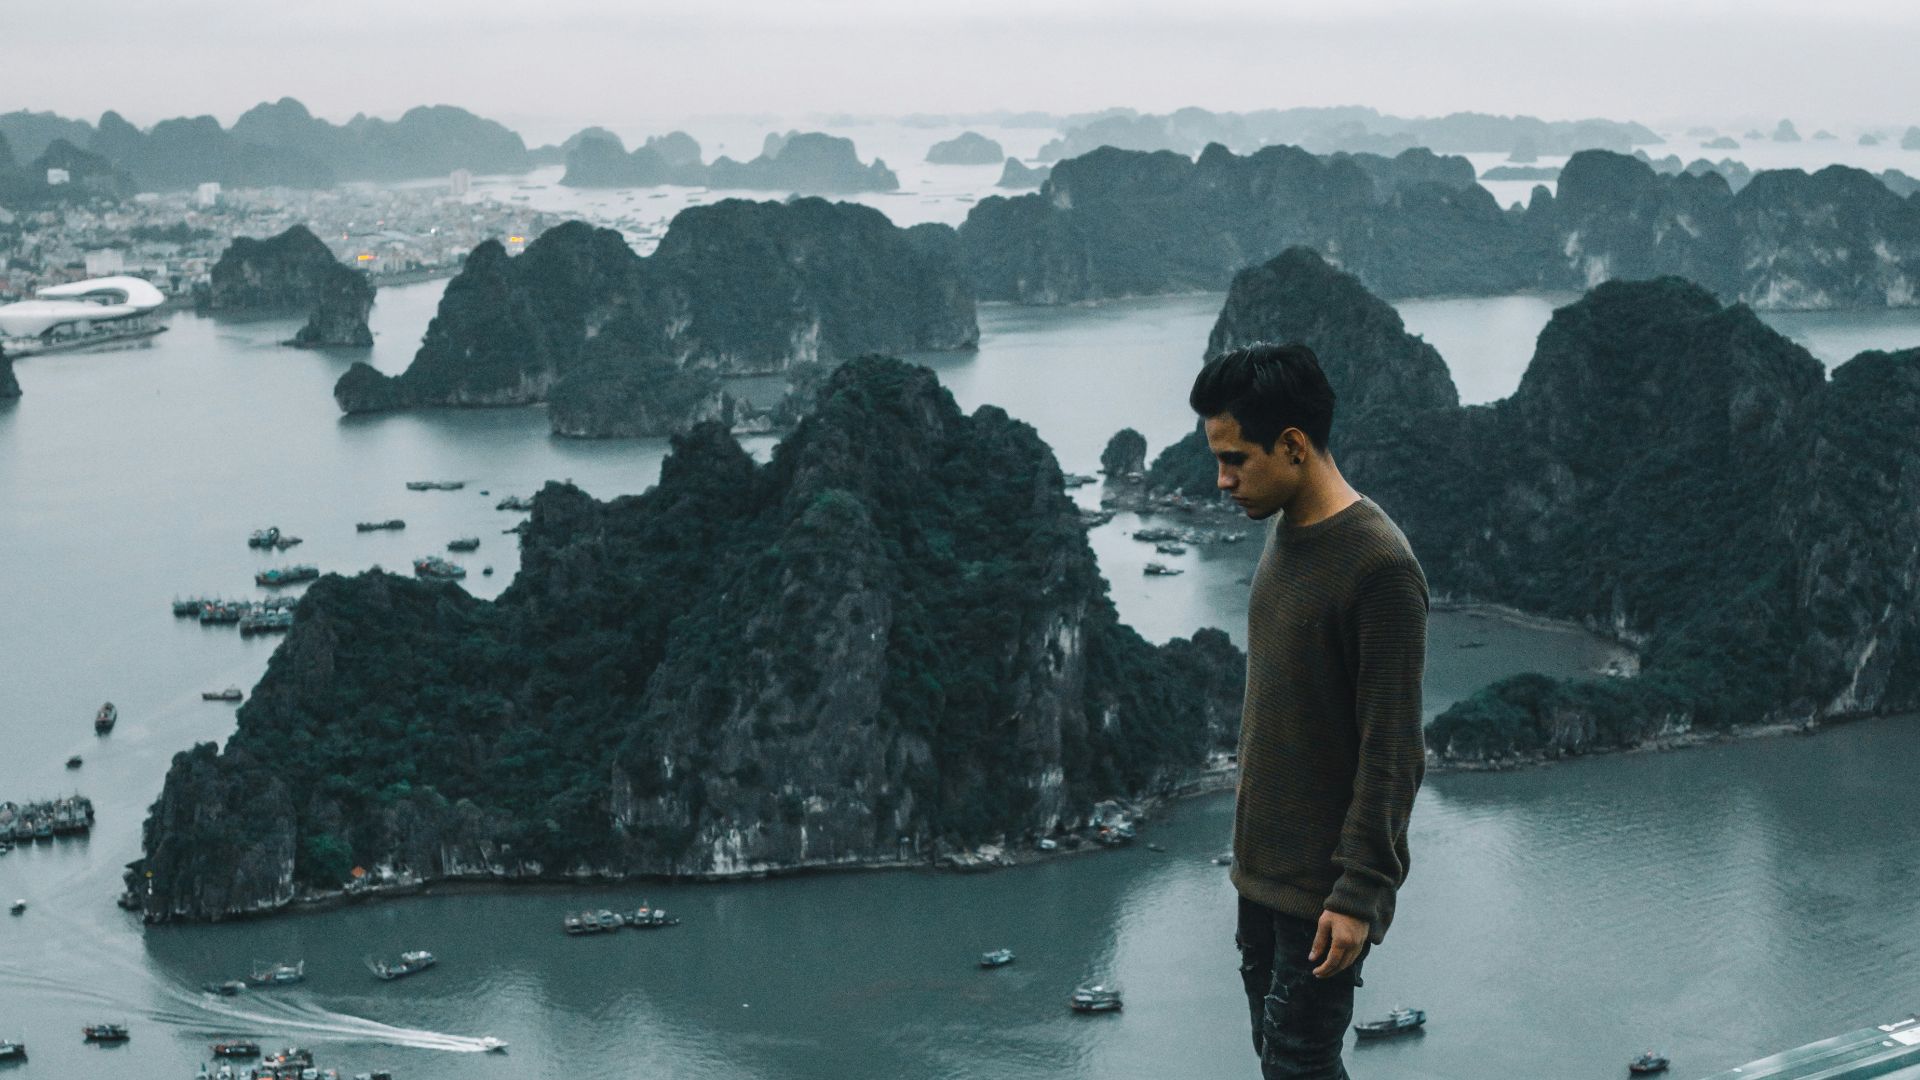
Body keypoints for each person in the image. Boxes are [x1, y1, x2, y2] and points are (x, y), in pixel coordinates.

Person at [1191, 342, 1429, 1079]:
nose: (1222, 480)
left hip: (1319, 891)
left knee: (1299, 1064)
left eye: (1235, 459)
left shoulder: (1380, 567)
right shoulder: (1287, 529)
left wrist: (1358, 895)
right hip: (1261, 874)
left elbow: (1394, 750)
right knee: (1280, 1061)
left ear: (1293, 446)